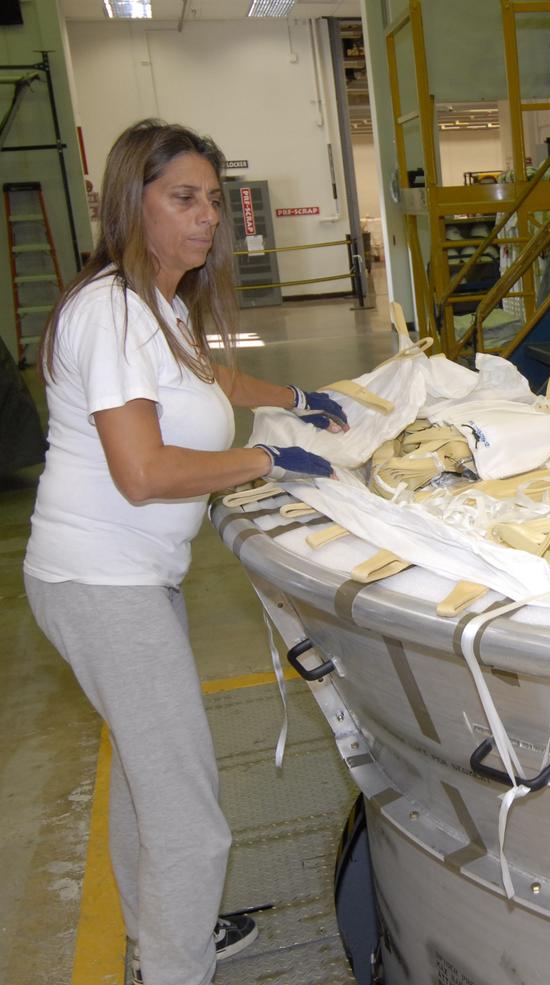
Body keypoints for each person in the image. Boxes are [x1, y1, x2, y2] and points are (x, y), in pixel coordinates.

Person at [23, 119, 347, 985]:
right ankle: (173, 965)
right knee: (188, 812)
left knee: (147, 770)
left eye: (212, 200)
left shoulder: (158, 303)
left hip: (124, 577)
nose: (208, 219)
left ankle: (165, 934)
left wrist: (301, 396)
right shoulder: (112, 312)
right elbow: (142, 470)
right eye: (183, 199)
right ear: (134, 202)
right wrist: (262, 458)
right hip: (101, 581)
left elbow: (211, 379)